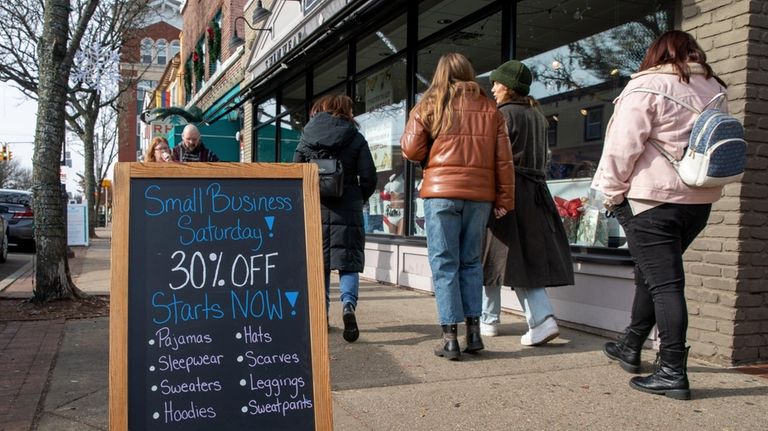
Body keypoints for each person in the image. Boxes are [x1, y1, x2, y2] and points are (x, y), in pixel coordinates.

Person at [592, 30, 727, 400]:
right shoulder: (714, 88)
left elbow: (622, 147)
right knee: (651, 276)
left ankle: (671, 371)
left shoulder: (648, 86)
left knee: (665, 284)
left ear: (657, 54)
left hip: (652, 201)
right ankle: (630, 345)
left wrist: (611, 193)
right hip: (698, 202)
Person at [401, 53, 514, 360]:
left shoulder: (429, 103)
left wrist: (431, 156)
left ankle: (450, 338)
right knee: (470, 262)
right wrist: (505, 198)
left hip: (441, 194)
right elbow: (503, 160)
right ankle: (474, 334)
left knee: (444, 263)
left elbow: (411, 149)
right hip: (479, 197)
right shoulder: (490, 107)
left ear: (440, 73)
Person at [481, 60, 575, 345]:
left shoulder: (502, 115)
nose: (493, 87)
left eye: (497, 83)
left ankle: (501, 318)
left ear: (508, 86)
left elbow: (493, 159)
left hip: (509, 191)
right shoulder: (536, 115)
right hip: (535, 193)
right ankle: (502, 318)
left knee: (494, 255)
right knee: (522, 257)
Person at [293, 94, 377, 343]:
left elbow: (295, 169)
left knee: (320, 264)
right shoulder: (356, 138)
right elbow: (369, 177)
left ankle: (321, 317)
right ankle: (348, 306)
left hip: (315, 209)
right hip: (348, 208)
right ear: (345, 111)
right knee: (348, 263)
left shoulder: (307, 137)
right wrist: (357, 196)